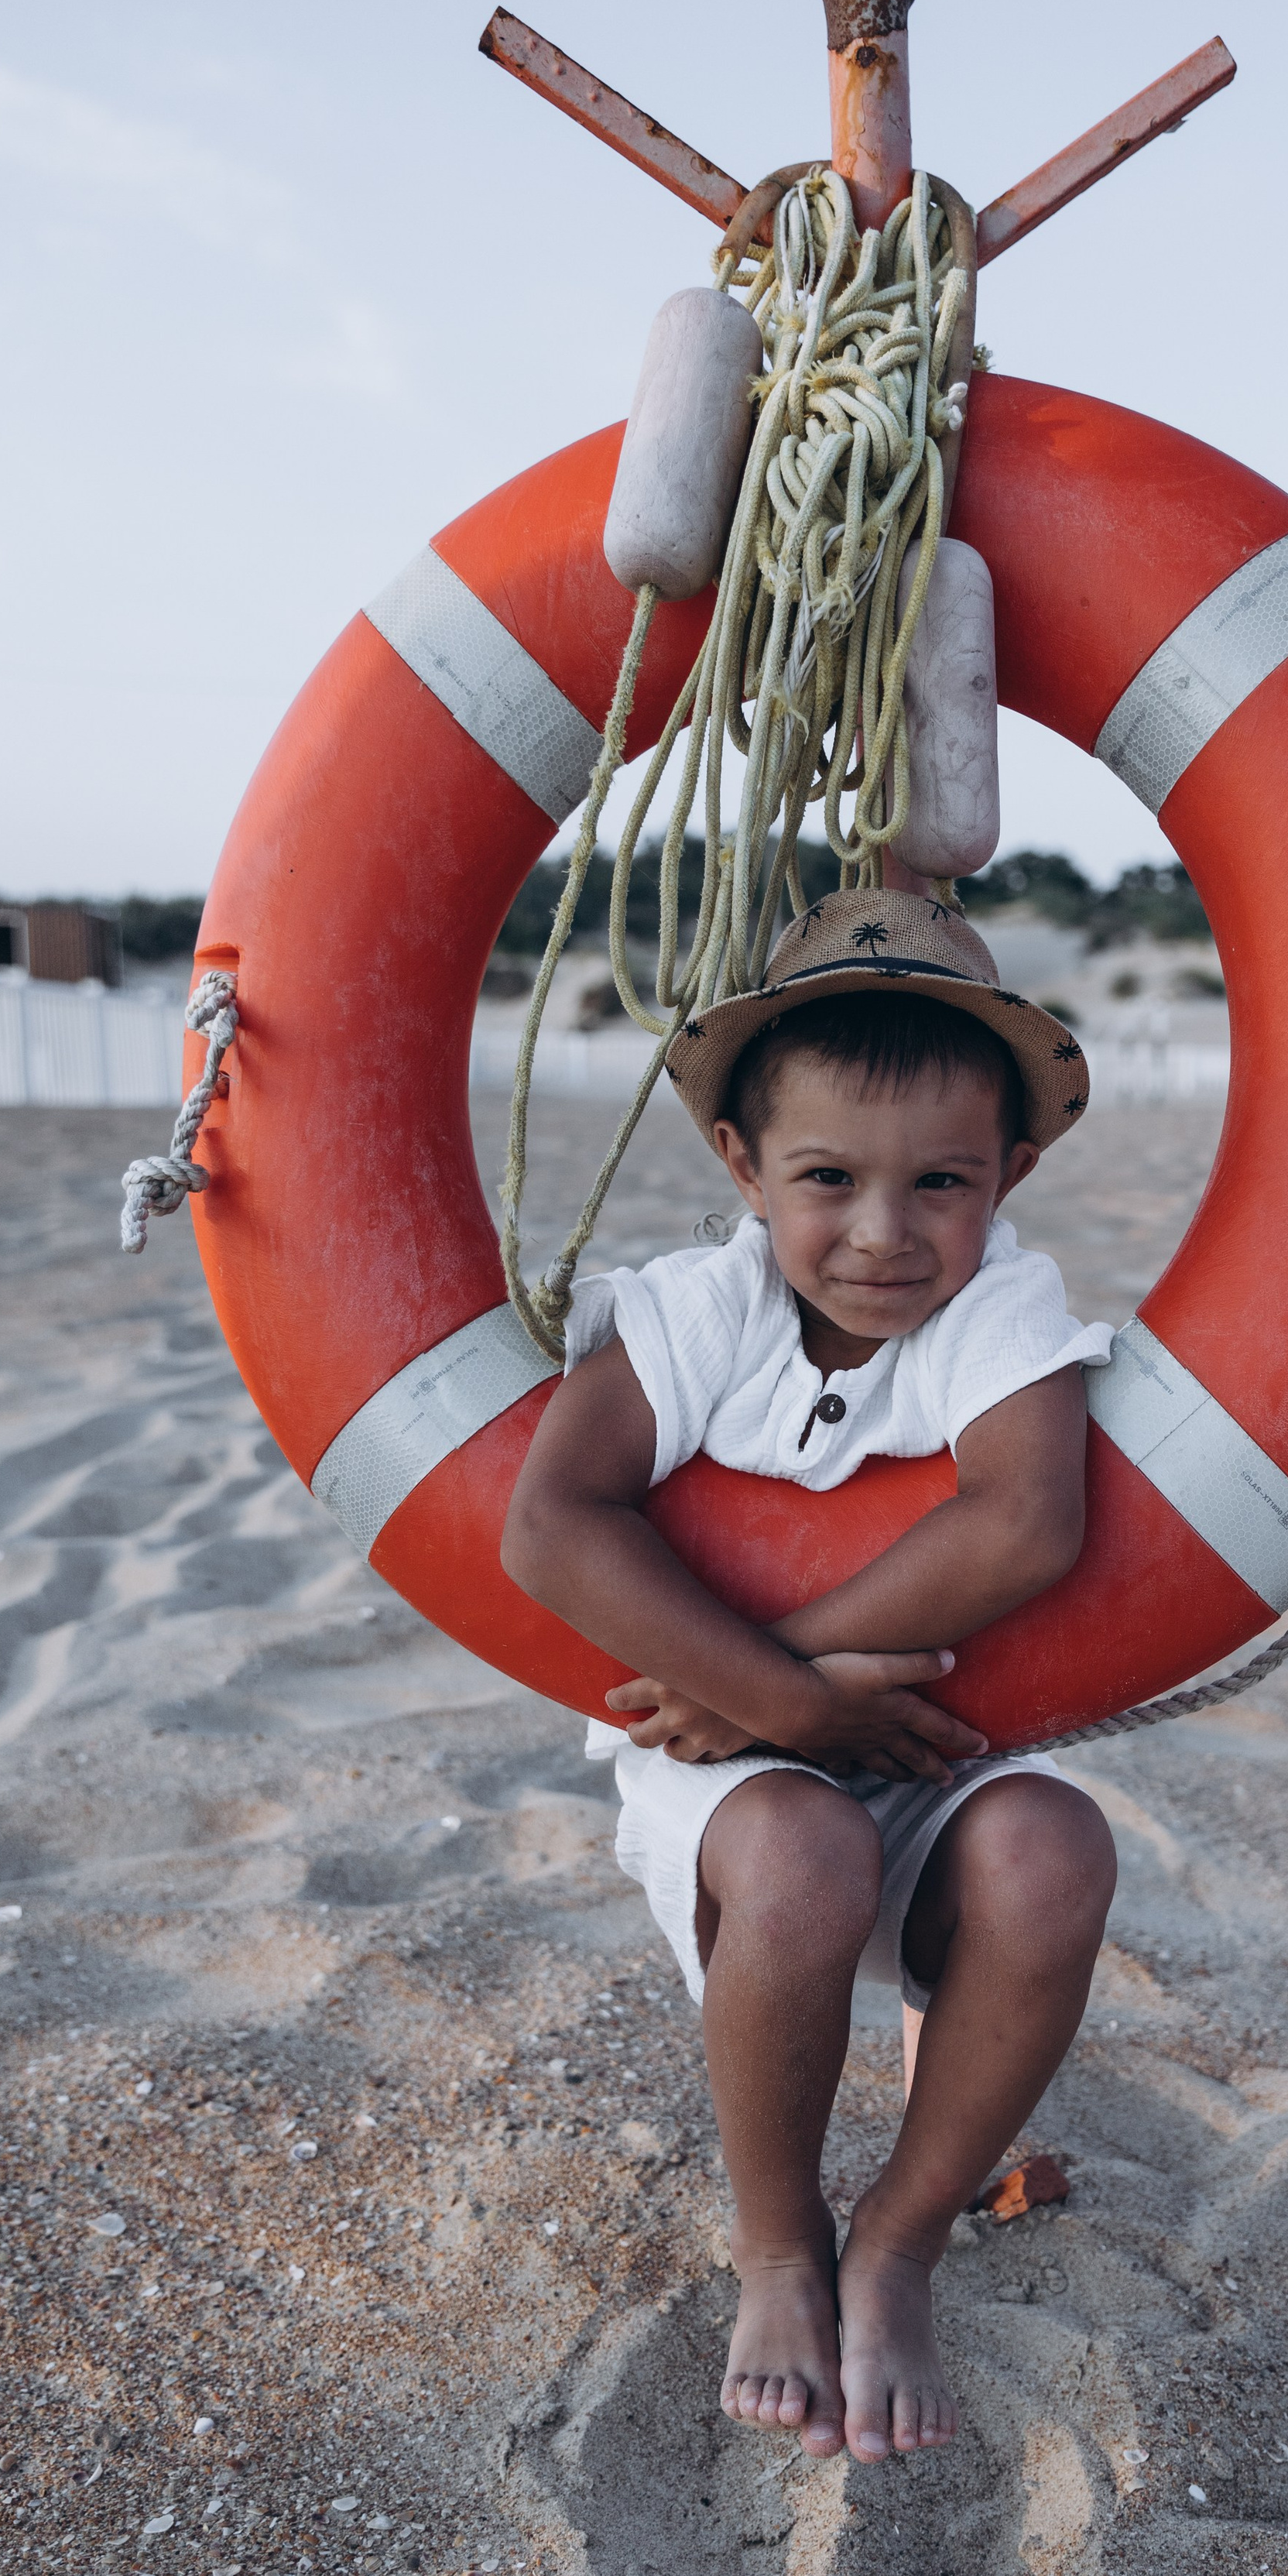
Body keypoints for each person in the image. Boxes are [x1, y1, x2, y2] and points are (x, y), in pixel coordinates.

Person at [502, 887, 1118, 2466]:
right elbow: (551, 1525)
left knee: (1057, 1850)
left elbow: (1027, 1516)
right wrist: (779, 1707)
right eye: (827, 1180)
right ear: (742, 1167)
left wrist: (802, 1675)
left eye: (942, 1184)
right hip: (728, 1769)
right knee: (798, 1845)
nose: (883, 1232)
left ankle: (898, 2241)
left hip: (919, 1738)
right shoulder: (693, 1309)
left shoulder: (999, 1307)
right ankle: (779, 2242)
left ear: (1013, 1177)